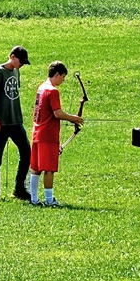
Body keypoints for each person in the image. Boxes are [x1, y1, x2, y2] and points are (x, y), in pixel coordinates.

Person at [29, 61, 83, 207]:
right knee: (49, 169)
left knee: (36, 168)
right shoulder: (52, 91)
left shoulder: (41, 88)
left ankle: (34, 199)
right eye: (63, 77)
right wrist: (74, 119)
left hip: (36, 132)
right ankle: (49, 199)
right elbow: (57, 113)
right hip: (48, 135)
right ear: (57, 74)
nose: (63, 80)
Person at [0, 45, 32, 201]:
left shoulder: (16, 71)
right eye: (21, 61)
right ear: (12, 56)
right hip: (0, 123)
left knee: (26, 153)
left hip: (15, 121)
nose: (22, 64)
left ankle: (19, 189)